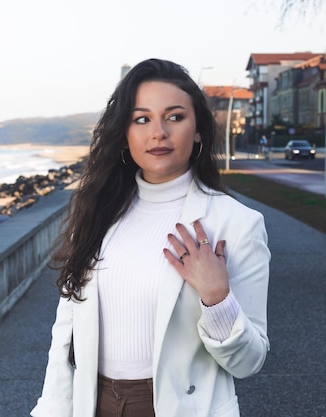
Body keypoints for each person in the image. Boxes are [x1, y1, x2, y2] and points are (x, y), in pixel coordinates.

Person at [31, 58, 270, 417]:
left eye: (175, 117)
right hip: (91, 403)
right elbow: (65, 334)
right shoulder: (98, 213)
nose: (158, 132)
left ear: (199, 130)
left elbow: (249, 362)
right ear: (125, 135)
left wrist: (216, 298)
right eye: (141, 119)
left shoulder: (236, 223)